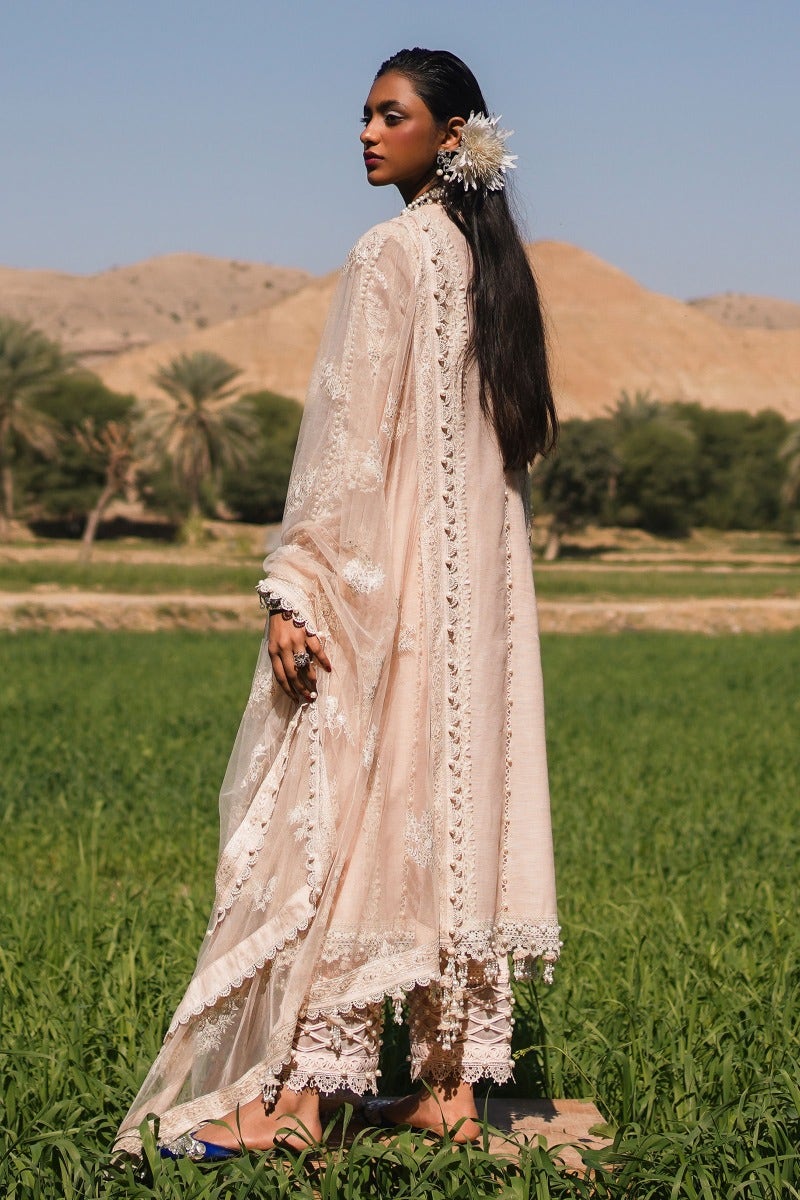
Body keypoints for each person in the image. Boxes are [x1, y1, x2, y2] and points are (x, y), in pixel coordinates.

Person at [115, 46, 560, 1162]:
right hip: (478, 615)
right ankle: (450, 1090)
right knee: (452, 811)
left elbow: (348, 446)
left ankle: (305, 1102)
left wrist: (298, 585)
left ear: (449, 137)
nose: (364, 132)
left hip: (390, 593)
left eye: (388, 115)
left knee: (353, 811)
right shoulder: (490, 267)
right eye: (363, 114)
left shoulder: (390, 252)